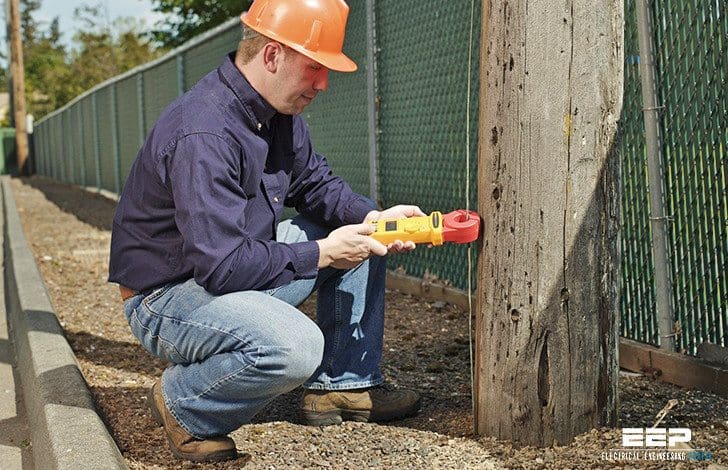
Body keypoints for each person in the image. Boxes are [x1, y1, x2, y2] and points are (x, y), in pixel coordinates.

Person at [108, 0, 424, 462]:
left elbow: (315, 184)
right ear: (272, 55)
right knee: (296, 347)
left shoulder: (276, 113)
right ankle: (185, 403)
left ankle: (342, 385)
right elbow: (222, 266)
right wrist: (323, 253)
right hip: (167, 297)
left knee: (353, 228)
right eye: (314, 67)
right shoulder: (204, 133)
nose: (323, 83)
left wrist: (373, 219)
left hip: (228, 267)